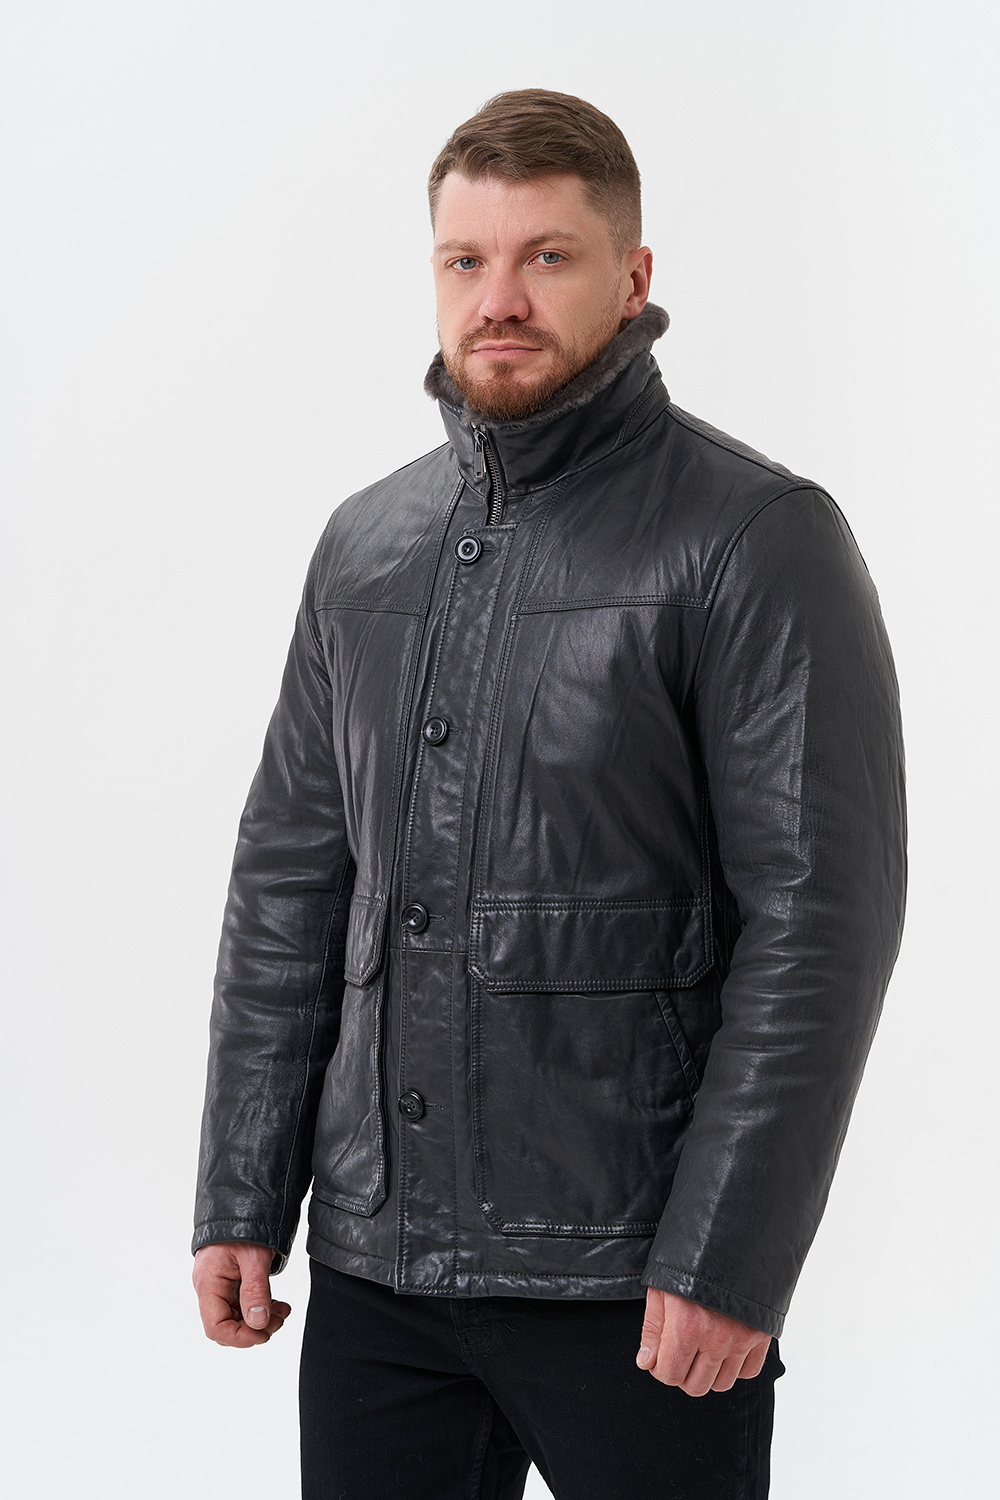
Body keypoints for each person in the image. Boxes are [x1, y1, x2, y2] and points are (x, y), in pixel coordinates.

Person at [191, 88, 907, 1499]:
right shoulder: (366, 546)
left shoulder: (754, 537)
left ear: (632, 279)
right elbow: (290, 886)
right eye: (466, 259)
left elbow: (821, 923)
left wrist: (729, 1257)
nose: (499, 298)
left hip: (637, 1283)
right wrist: (242, 1188)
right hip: (381, 1274)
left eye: (547, 256)